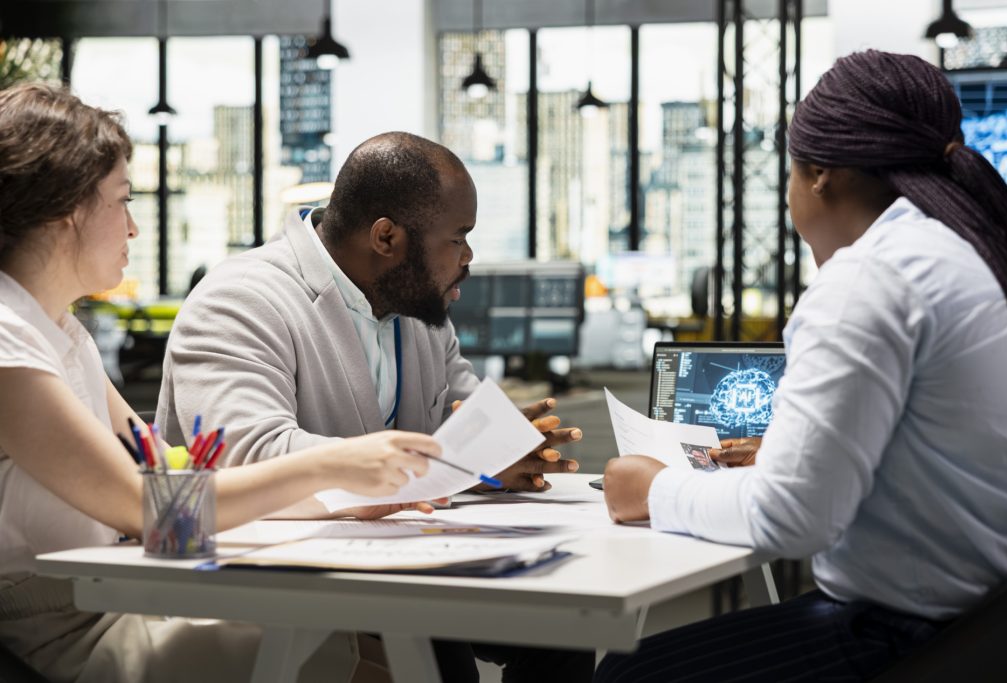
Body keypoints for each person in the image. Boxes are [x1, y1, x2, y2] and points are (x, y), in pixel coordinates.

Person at [597, 49, 1007, 682]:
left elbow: (791, 520)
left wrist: (652, 489)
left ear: (817, 174)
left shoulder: (868, 278)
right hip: (993, 621)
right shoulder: (966, 250)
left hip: (910, 629)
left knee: (630, 674)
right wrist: (794, 453)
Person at [0, 83, 449, 683]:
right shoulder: (9, 341)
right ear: (66, 211)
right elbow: (150, 508)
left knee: (372, 653)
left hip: (113, 591)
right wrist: (334, 467)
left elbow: (174, 479)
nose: (134, 229)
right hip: (58, 627)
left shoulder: (61, 333)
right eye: (122, 201)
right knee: (334, 653)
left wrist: (356, 494)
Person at [155, 132, 593, 680]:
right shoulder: (241, 299)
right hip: (275, 571)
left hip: (398, 559)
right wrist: (439, 464)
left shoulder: (415, 306)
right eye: (458, 238)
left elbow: (459, 424)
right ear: (386, 236)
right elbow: (247, 455)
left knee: (566, 621)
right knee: (438, 658)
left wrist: (498, 454)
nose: (468, 257)